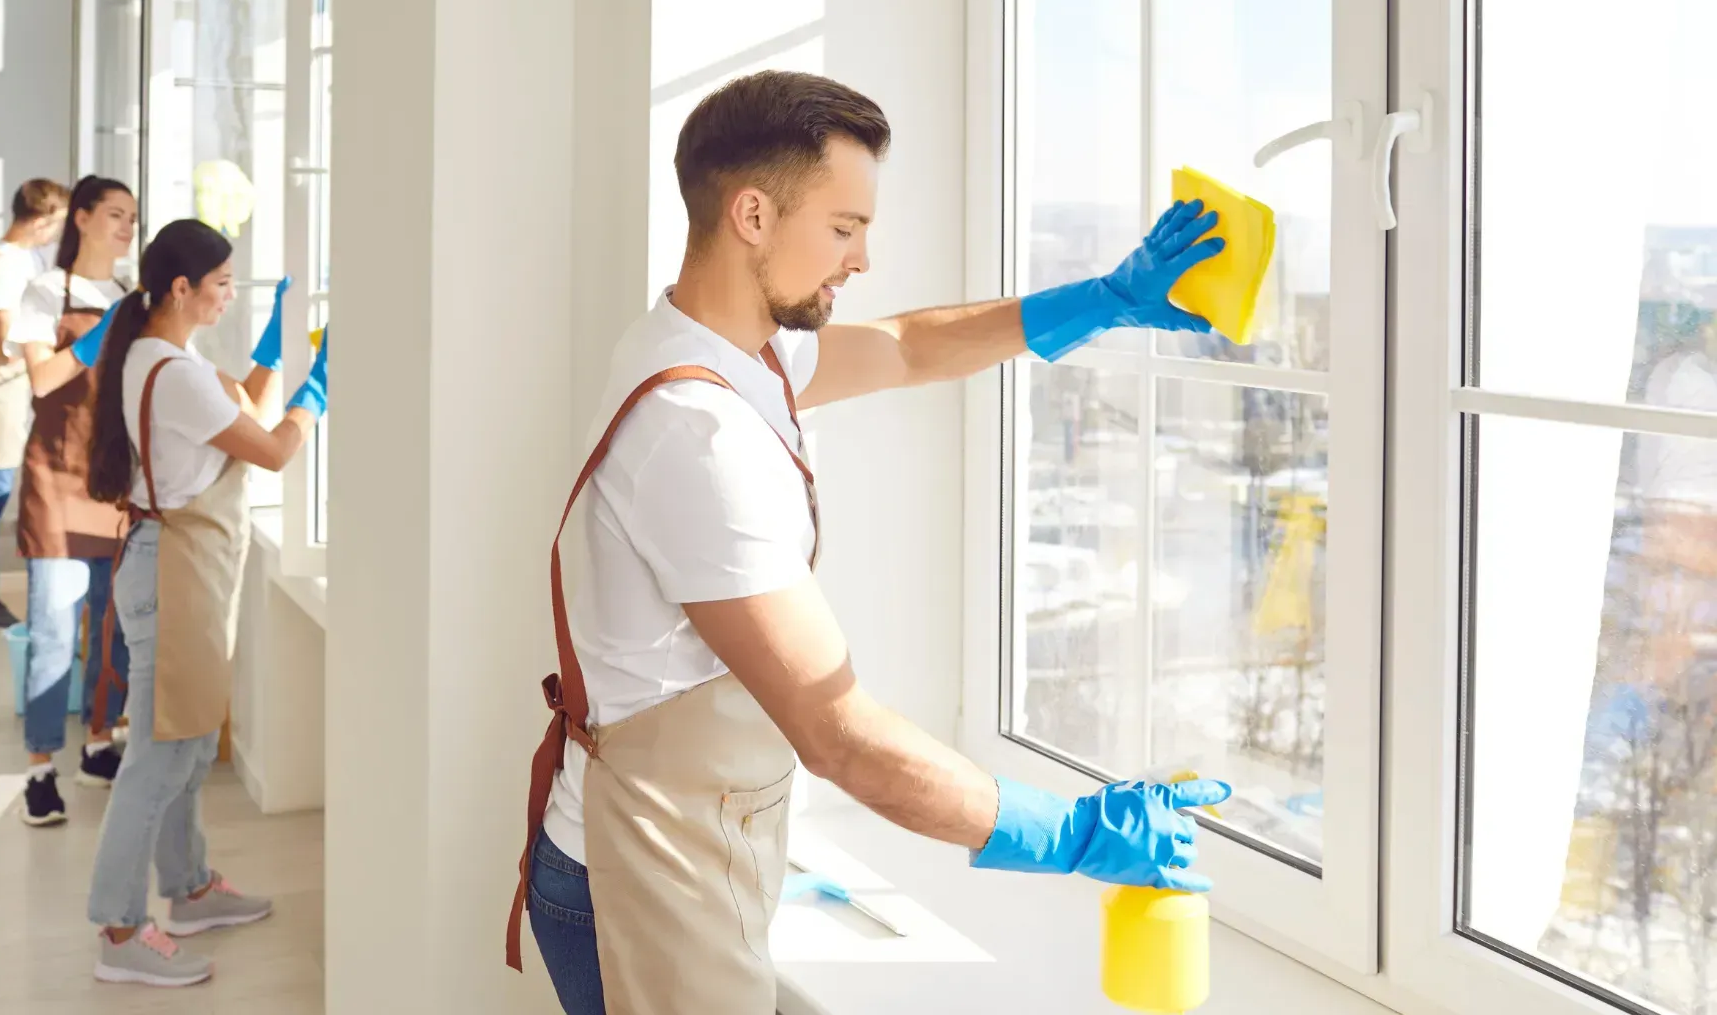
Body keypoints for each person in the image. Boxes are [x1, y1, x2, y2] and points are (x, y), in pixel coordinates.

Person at [510, 70, 1233, 1014]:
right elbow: (839, 735)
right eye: (844, 228)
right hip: (635, 874)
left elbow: (905, 346)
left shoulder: (726, 347)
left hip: (674, 839)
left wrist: (1097, 301)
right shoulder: (698, 435)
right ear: (753, 214)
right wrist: (1068, 833)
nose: (861, 259)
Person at [80, 218, 327, 987]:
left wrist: (275, 354)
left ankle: (188, 889)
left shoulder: (158, 355)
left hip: (178, 567)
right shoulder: (172, 371)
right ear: (182, 288)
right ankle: (120, 930)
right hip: (173, 574)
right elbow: (273, 449)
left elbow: (238, 408)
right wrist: (317, 394)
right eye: (221, 283)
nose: (229, 295)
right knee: (159, 757)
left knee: (186, 744)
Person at [4, 175, 136, 824]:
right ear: (80, 218)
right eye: (115, 214)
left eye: (133, 217)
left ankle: (99, 745)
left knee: (114, 629)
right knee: (55, 633)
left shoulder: (131, 297)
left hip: (114, 483)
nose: (127, 227)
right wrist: (95, 336)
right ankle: (40, 770)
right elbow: (41, 380)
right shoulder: (42, 292)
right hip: (56, 480)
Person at [0, 178, 67, 632]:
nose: (59, 232)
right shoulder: (2, 265)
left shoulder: (28, 259)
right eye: (58, 222)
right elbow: (8, 341)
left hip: (17, 385)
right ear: (42, 220)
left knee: (5, 490)